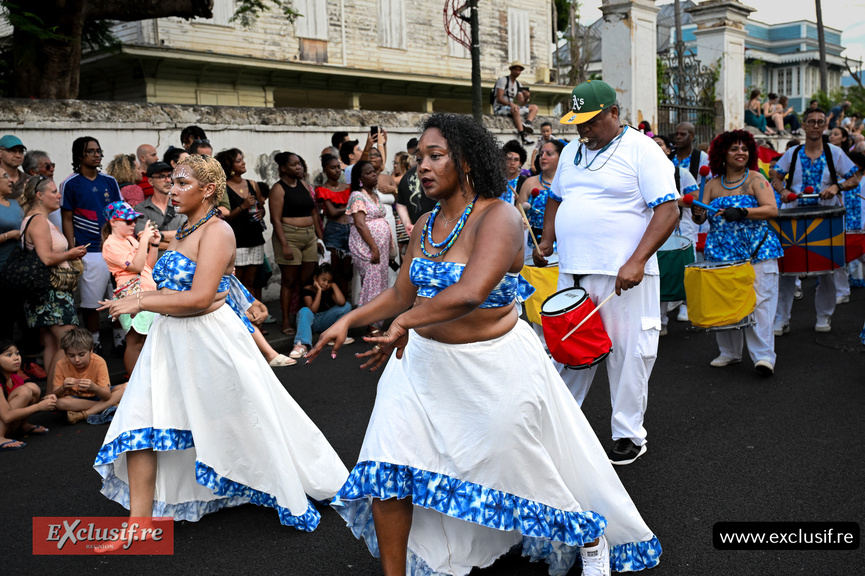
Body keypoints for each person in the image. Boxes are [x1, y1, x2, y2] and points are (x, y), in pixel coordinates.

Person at [307, 112, 661, 576]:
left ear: (468, 161)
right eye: (419, 159)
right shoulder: (427, 223)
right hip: (420, 367)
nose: (423, 168)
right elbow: (399, 293)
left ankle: (587, 533)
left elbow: (472, 290)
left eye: (436, 156)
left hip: (493, 367)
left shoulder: (502, 216)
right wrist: (348, 321)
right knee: (387, 469)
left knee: (513, 465)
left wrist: (405, 323)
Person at [94, 154, 348, 529]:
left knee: (247, 418)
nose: (171, 189)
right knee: (138, 423)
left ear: (209, 189)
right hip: (167, 341)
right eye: (172, 182)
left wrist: (142, 300)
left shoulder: (218, 231)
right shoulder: (181, 229)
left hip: (208, 341)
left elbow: (201, 297)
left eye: (182, 184)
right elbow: (203, 288)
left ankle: (282, 478)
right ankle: (140, 523)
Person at [535, 80, 679, 464]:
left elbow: (668, 210)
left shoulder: (643, 150)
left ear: (614, 113)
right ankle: (559, 427)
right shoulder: (572, 153)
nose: (583, 130)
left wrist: (637, 261)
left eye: (591, 122)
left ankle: (629, 434)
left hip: (623, 275)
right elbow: (555, 198)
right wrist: (547, 241)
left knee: (629, 354)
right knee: (569, 350)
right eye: (578, 123)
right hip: (573, 269)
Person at [690, 130, 782, 374]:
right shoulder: (711, 184)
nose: (741, 153)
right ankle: (729, 352)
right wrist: (697, 213)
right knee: (726, 302)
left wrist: (742, 212)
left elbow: (771, 209)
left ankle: (764, 357)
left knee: (760, 303)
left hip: (757, 252)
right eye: (734, 149)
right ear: (722, 154)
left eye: (744, 148)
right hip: (721, 254)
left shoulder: (756, 179)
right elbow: (700, 218)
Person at [771, 108, 862, 334]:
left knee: (827, 270)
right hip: (793, 217)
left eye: (820, 122)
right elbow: (776, 177)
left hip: (826, 217)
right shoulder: (792, 154)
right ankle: (781, 318)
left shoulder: (834, 153)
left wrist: (836, 186)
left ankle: (824, 316)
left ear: (824, 126)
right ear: (804, 124)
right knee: (787, 270)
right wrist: (782, 191)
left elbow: (854, 177)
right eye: (811, 121)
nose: (815, 125)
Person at [20, 176, 88, 389]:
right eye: (53, 191)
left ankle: (52, 394)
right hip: (52, 291)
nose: (59, 195)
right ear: (39, 195)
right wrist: (71, 254)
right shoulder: (38, 221)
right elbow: (47, 258)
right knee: (68, 340)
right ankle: (54, 393)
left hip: (48, 291)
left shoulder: (37, 219)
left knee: (52, 343)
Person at [60, 136, 122, 354]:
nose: (97, 155)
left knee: (119, 296)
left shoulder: (110, 182)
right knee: (91, 301)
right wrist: (72, 249)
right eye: (91, 151)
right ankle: (94, 342)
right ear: (79, 156)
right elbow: (67, 218)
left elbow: (120, 214)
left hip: (114, 248)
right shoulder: (70, 183)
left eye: (99, 151)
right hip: (89, 251)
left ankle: (120, 339)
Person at [101, 201, 161, 375]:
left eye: (134, 220)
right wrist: (143, 241)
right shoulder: (110, 244)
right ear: (113, 222)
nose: (133, 224)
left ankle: (143, 380)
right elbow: (135, 267)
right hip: (131, 296)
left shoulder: (130, 239)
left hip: (145, 294)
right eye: (128, 221)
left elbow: (147, 266)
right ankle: (133, 382)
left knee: (146, 341)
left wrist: (154, 244)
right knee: (135, 342)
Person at [269, 151, 322, 335]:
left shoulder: (306, 186)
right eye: (294, 164)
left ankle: (301, 316)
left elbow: (314, 213)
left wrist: (319, 237)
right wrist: (284, 244)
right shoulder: (278, 188)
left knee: (306, 279)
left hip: (309, 236)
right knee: (289, 281)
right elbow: (275, 220)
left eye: (299, 163)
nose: (298, 167)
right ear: (283, 168)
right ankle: (285, 320)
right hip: (289, 236)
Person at [651, 134, 700, 333]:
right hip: (655, 230)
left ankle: (685, 305)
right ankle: (660, 320)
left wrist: (668, 200)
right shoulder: (642, 174)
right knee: (660, 273)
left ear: (669, 150)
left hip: (682, 231)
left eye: (660, 144)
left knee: (684, 270)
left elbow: (694, 198)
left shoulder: (682, 173)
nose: (655, 148)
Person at [215, 148, 267, 300]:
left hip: (255, 238)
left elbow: (261, 208)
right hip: (237, 240)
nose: (243, 162)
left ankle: (252, 313)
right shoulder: (223, 187)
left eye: (242, 159)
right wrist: (243, 207)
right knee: (238, 280)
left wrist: (261, 213)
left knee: (252, 280)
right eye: (238, 161)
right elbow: (224, 216)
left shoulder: (252, 184)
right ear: (229, 165)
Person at [347, 161, 391, 333]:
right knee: (373, 284)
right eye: (369, 172)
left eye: (374, 171)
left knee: (380, 284)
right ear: (359, 178)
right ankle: (371, 324)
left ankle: (375, 322)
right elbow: (360, 224)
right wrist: (374, 248)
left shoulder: (374, 195)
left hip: (379, 248)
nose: (374, 174)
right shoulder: (357, 196)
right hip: (366, 247)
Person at [51, 328, 125, 425]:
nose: (77, 360)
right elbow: (55, 395)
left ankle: (83, 414)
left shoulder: (99, 361)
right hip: (77, 399)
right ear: (66, 354)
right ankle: (108, 406)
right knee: (58, 403)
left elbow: (106, 395)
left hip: (97, 396)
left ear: (91, 350)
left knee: (127, 387)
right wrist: (63, 387)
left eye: (81, 355)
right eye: (71, 356)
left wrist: (94, 387)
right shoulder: (61, 364)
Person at [1, 341, 56, 451]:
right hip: (5, 419)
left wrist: (46, 401)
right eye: (9, 355)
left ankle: (22, 425)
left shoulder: (15, 378)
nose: (16, 358)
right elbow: (6, 416)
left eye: (17, 353)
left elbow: (25, 403)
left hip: (8, 423)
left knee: (32, 388)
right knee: (24, 391)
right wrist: (39, 407)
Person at [289, 263, 353, 358]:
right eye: (324, 280)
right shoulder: (306, 289)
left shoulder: (329, 289)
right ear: (315, 278)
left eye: (329, 281)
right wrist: (318, 290)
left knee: (347, 306)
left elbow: (342, 302)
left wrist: (334, 285)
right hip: (311, 322)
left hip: (324, 321)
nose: (326, 284)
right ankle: (301, 344)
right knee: (305, 311)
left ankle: (333, 337)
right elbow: (313, 310)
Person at [315, 153, 353, 297]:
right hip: (334, 231)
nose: (337, 170)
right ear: (325, 170)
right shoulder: (322, 190)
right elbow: (332, 212)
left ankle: (345, 305)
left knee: (347, 271)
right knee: (334, 271)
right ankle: (334, 303)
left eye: (338, 167)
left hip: (349, 230)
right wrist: (350, 206)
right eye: (333, 168)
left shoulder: (348, 187)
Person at [518, 138, 565, 249]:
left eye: (549, 154)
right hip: (533, 246)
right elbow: (518, 213)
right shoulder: (529, 183)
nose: (543, 157)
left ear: (560, 158)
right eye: (541, 154)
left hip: (562, 246)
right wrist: (521, 220)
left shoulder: (567, 184)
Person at [134, 161, 187, 253]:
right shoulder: (140, 209)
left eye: (170, 176)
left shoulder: (182, 204)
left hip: (180, 264)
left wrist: (159, 235)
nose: (168, 180)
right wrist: (179, 245)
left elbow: (188, 234)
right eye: (162, 176)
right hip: (154, 265)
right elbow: (144, 241)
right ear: (150, 181)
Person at [493, 61, 538, 144]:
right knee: (515, 108)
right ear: (511, 70)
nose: (517, 72)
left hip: (512, 108)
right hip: (499, 107)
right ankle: (523, 134)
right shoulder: (503, 80)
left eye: (519, 70)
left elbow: (521, 103)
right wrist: (511, 104)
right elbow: (499, 98)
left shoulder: (518, 84)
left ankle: (527, 123)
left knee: (534, 107)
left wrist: (527, 98)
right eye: (516, 70)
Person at [0, 135, 28, 199]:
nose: (18, 155)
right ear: (0, 153)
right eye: (12, 151)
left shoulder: (28, 180)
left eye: (21, 151)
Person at [501, 140, 527, 205]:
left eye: (516, 160)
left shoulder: (525, 182)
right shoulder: (497, 180)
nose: (512, 163)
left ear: (520, 163)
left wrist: (522, 201)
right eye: (509, 159)